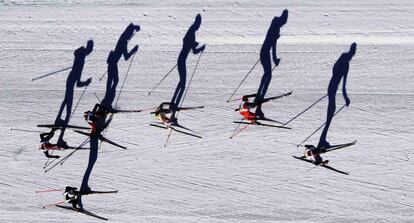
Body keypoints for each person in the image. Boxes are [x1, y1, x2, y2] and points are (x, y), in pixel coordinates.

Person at [55, 40, 93, 148]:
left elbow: (76, 53)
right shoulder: (81, 60)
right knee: (68, 110)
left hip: (69, 81)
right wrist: (86, 82)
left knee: (66, 101)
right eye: (90, 49)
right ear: (88, 49)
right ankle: (60, 138)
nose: (90, 51)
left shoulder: (80, 55)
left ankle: (58, 119)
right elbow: (78, 84)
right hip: (71, 82)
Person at [318, 43, 357, 148]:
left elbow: (334, 71)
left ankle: (322, 139)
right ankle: (321, 141)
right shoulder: (346, 64)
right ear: (352, 53)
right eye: (353, 54)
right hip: (332, 89)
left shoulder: (342, 58)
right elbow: (343, 85)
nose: (352, 56)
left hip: (331, 88)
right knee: (330, 115)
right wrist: (346, 98)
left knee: (330, 115)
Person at [170, 14, 206, 121]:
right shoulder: (191, 33)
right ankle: (173, 106)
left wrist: (194, 45)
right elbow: (193, 50)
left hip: (181, 60)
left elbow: (188, 44)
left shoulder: (191, 33)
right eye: (198, 24)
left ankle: (173, 103)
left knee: (182, 83)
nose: (198, 26)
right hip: (181, 61)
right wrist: (199, 48)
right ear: (196, 24)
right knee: (183, 84)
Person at [254, 9, 288, 119]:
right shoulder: (276, 28)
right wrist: (275, 59)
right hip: (265, 53)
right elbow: (273, 46)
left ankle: (258, 96)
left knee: (267, 75)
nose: (284, 23)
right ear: (283, 20)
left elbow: (272, 43)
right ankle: (258, 101)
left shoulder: (274, 25)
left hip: (264, 52)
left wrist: (274, 58)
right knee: (268, 75)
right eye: (284, 21)